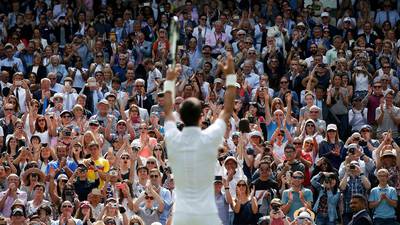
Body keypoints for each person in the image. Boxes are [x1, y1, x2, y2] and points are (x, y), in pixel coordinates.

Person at [163, 53, 236, 224]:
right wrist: (231, 77)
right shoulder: (209, 137)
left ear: (180, 116)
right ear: (201, 118)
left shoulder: (174, 137)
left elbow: (167, 110)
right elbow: (227, 109)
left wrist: (169, 81)